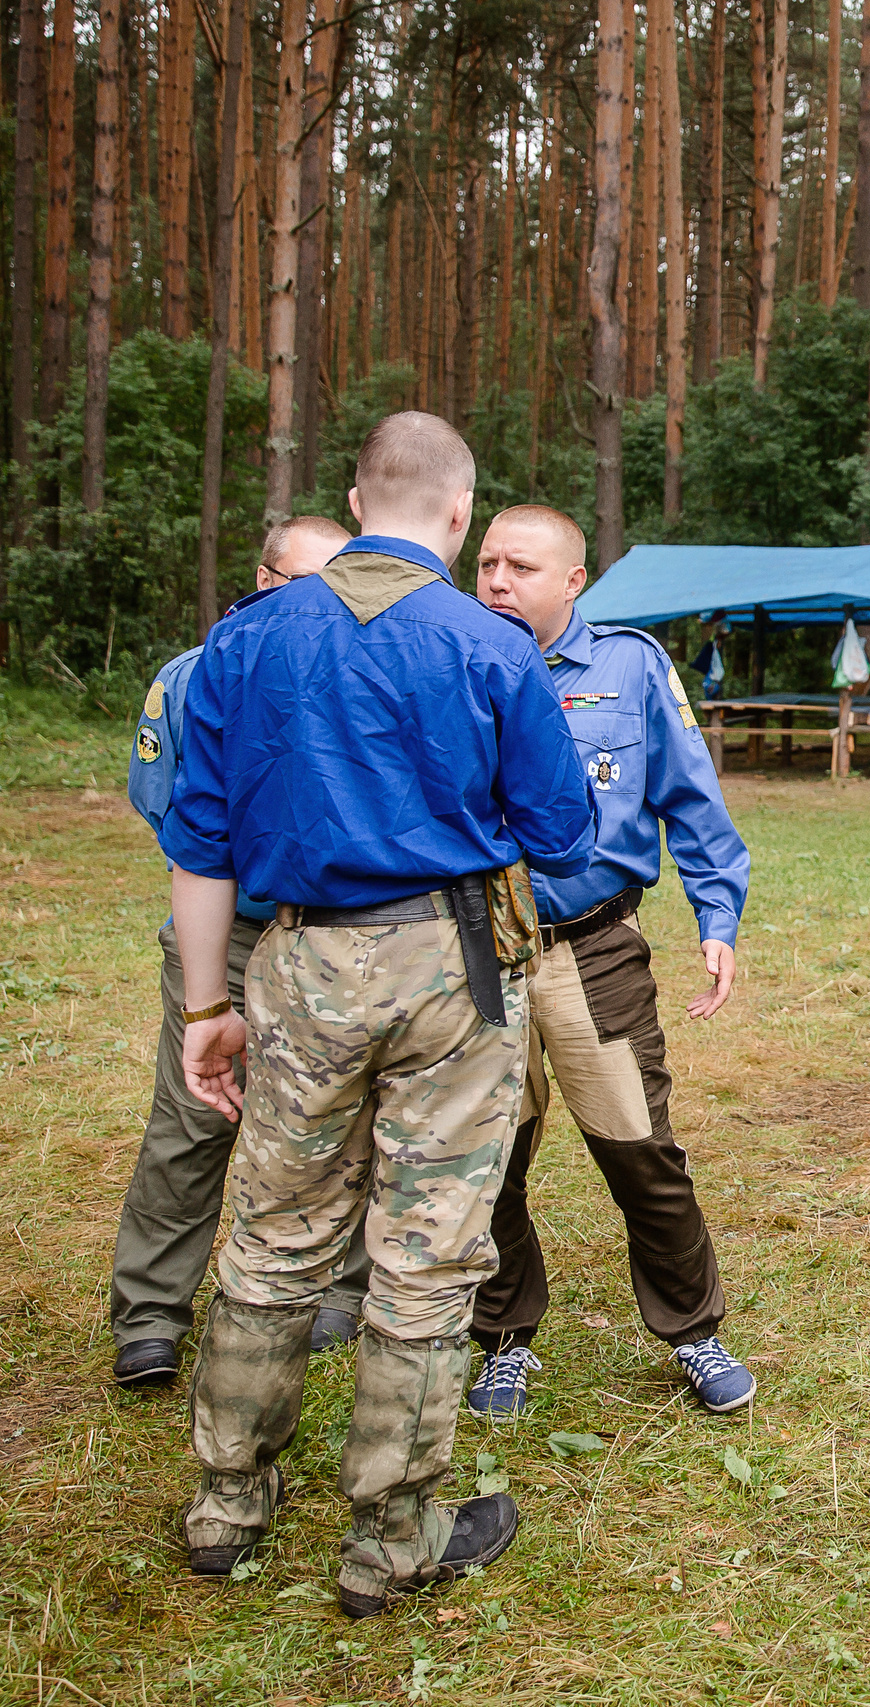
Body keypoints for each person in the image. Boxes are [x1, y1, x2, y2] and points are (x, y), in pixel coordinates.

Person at [156, 412, 596, 1616]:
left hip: (295, 962)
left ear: (356, 500)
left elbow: (198, 845)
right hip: (449, 966)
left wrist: (206, 1005)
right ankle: (393, 1534)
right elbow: (564, 834)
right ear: (459, 517)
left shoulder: (242, 644)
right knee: (425, 1245)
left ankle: (227, 1501)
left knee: (274, 1228)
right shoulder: (491, 646)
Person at [464, 504, 757, 1418]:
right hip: (479, 950)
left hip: (594, 949)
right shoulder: (452, 659)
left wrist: (718, 913)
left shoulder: (629, 665)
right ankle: (504, 1339)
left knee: (639, 1149)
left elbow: (690, 797)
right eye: (487, 564)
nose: (499, 582)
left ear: (572, 582)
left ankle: (694, 1328)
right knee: (484, 1157)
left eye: (521, 567)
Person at [111, 515, 370, 1388]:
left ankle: (340, 1288)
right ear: (263, 579)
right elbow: (165, 805)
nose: (321, 604)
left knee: (332, 1115)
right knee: (191, 1122)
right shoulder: (193, 678)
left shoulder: (356, 669)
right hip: (225, 932)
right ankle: (149, 1312)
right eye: (303, 584)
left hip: (329, 930)